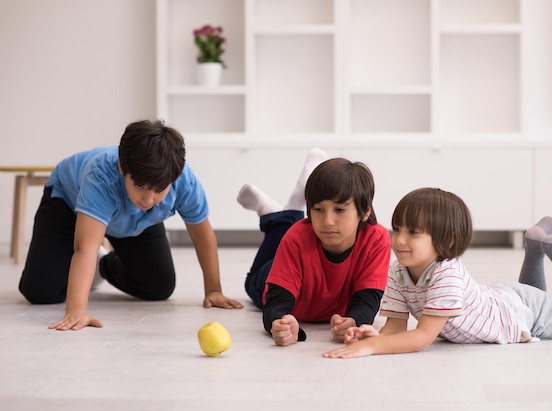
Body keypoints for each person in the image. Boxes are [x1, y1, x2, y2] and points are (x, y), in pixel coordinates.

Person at [322, 187, 552, 358]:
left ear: (448, 240)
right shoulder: (399, 270)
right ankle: (534, 245)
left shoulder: (446, 275)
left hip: (521, 310)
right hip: (507, 302)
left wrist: (373, 347)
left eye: (413, 232)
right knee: (534, 299)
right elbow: (397, 329)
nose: (399, 239)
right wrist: (371, 335)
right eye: (397, 229)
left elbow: (421, 338)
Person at [19, 119, 243, 331]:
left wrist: (214, 290)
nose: (148, 199)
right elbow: (85, 247)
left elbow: (202, 234)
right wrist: (77, 310)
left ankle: (103, 263)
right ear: (121, 168)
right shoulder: (100, 178)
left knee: (159, 287)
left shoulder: (183, 181)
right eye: (139, 185)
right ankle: (83, 262)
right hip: (67, 204)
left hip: (136, 221)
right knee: (41, 292)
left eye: (158, 190)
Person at [237, 149, 391, 346]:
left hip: (301, 255)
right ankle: (278, 210)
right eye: (318, 209)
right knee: (253, 281)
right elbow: (276, 303)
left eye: (340, 210)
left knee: (295, 230)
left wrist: (353, 322)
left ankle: (281, 208)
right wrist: (281, 322)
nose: (327, 221)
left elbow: (368, 299)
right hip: (271, 276)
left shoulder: (376, 238)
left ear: (365, 211)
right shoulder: (297, 238)